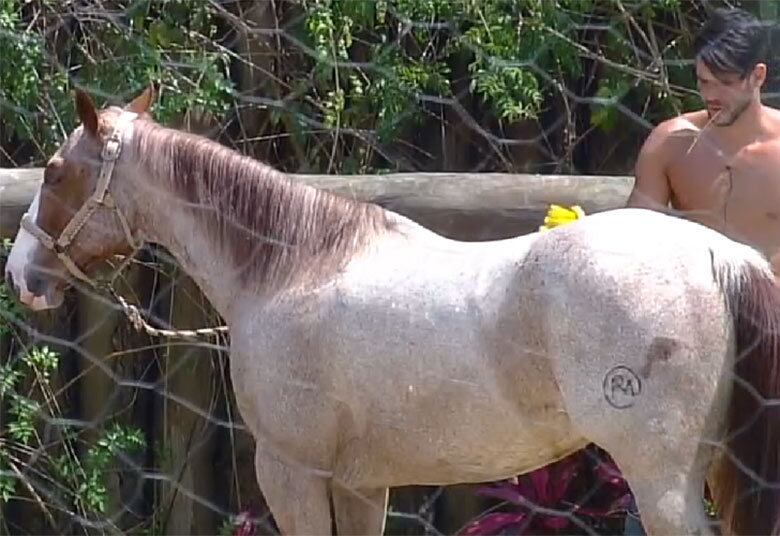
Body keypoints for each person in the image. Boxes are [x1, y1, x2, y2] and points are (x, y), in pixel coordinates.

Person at [627, 6, 780, 272]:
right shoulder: (670, 143)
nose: (712, 95)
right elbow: (634, 239)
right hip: (694, 300)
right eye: (704, 82)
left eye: (725, 83)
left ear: (758, 76)